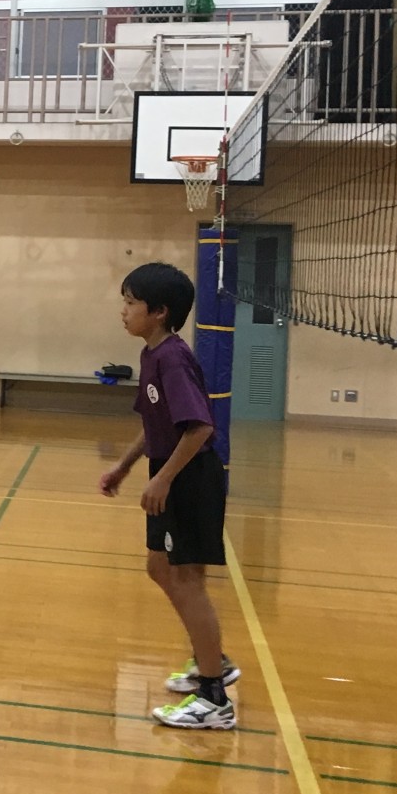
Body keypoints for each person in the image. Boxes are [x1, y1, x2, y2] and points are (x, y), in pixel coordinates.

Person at [98, 262, 236, 730]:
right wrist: (124, 466)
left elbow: (199, 428)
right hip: (170, 470)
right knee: (159, 568)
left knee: (186, 579)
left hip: (189, 475)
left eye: (131, 303)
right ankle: (211, 658)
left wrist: (164, 480)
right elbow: (156, 424)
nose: (123, 311)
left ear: (158, 312)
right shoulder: (151, 354)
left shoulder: (173, 358)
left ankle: (214, 698)